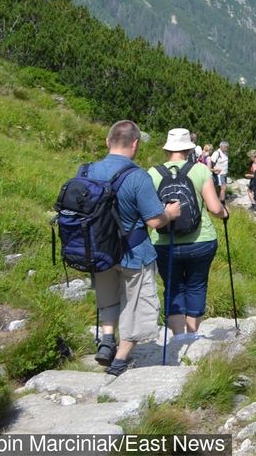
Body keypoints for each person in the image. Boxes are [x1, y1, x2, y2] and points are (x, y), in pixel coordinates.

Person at [89, 121, 182, 377]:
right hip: (134, 252)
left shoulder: (87, 171)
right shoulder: (138, 176)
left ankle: (107, 339)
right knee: (136, 304)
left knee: (108, 297)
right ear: (135, 144)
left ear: (108, 142)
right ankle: (120, 360)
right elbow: (154, 220)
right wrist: (171, 213)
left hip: (99, 251)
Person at [148, 128, 228, 337]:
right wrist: (225, 213)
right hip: (201, 241)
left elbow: (147, 212)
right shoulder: (200, 170)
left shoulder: (153, 173)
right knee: (196, 286)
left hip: (164, 241)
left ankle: (178, 338)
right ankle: (192, 336)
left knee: (173, 287)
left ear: (167, 149)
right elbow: (214, 208)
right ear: (189, 148)